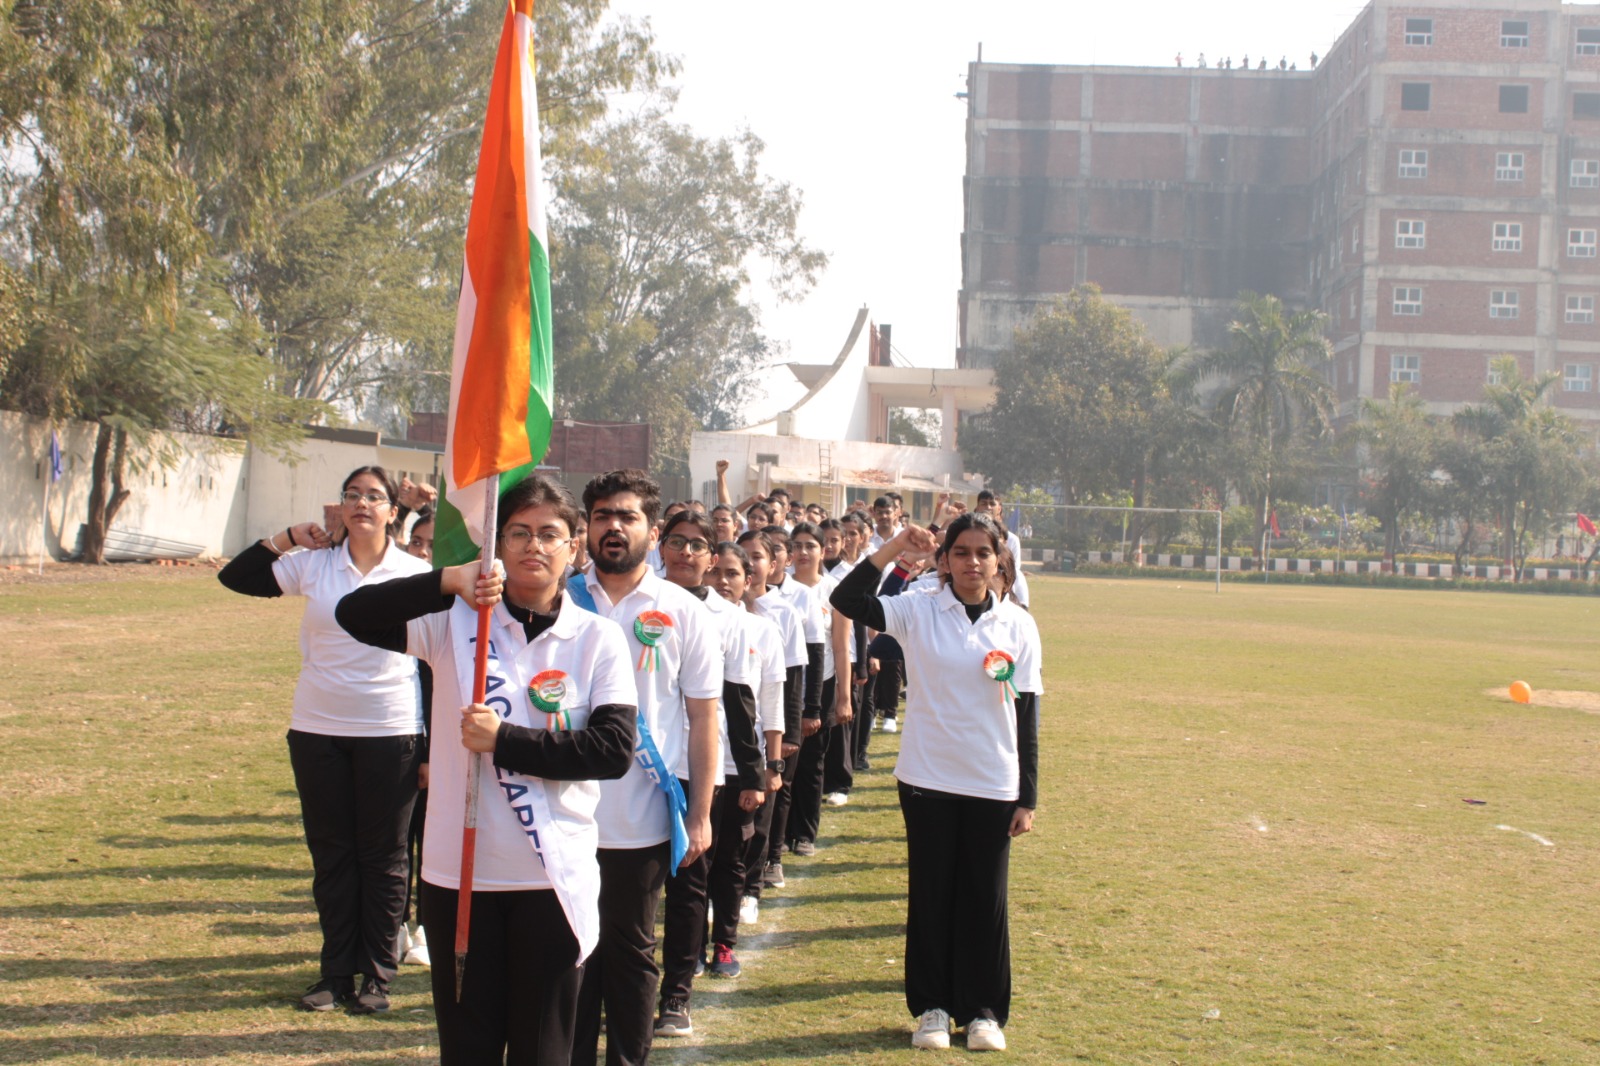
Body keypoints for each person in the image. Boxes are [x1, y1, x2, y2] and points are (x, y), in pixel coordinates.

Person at [335, 474, 637, 1064]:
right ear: (496, 545)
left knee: (542, 1050)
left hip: (551, 876)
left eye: (549, 534)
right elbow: (355, 614)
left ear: (574, 546)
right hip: (460, 874)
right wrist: (449, 581)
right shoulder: (454, 622)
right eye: (518, 533)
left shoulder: (597, 638)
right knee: (467, 1047)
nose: (533, 546)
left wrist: (505, 741)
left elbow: (611, 750)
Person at [217, 466, 433, 1014]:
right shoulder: (314, 565)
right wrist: (288, 537)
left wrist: (430, 748)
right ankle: (335, 973)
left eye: (375, 496)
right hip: (318, 727)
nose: (362, 503)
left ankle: (378, 976)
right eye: (352, 494)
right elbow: (237, 577)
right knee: (332, 854)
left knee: (384, 858)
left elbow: (434, 663)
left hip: (390, 728)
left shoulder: (415, 572)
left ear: (393, 512)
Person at [831, 513, 1042, 1053]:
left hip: (993, 782)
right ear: (943, 561)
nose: (973, 563)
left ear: (999, 562)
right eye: (961, 552)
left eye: (983, 553)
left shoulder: (1018, 625)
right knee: (932, 895)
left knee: (985, 900)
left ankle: (984, 1012)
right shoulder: (918, 608)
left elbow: (1027, 713)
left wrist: (1028, 796)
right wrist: (896, 549)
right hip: (927, 778)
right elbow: (848, 600)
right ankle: (932, 1008)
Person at [569, 469, 722, 1064]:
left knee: (631, 952)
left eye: (627, 516)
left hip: (642, 814)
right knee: (570, 952)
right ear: (586, 527)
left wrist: (701, 813)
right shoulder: (557, 598)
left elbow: (703, 717)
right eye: (602, 516)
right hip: (559, 809)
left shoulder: (683, 611)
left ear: (653, 532)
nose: (614, 527)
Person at [652, 510, 764, 1035]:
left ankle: (677, 994)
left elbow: (739, 703)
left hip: (699, 767)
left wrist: (754, 772)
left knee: (689, 885)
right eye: (677, 541)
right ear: (660, 546)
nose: (686, 553)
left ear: (713, 557)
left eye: (698, 545)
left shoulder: (730, 619)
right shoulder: (637, 601)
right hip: (632, 764)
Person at [784, 522, 852, 854]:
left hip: (820, 685)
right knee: (782, 760)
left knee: (812, 761)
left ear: (823, 551)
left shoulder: (835, 591)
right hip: (784, 685)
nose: (803, 552)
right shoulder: (779, 587)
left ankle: (804, 833)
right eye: (796, 545)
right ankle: (780, 833)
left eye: (810, 546)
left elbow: (840, 647)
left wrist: (843, 697)